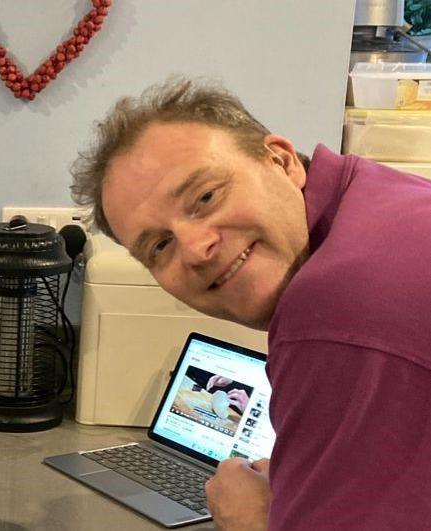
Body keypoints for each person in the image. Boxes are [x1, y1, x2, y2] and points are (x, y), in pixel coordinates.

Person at [70, 77, 431, 531]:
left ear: (280, 160)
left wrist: (255, 521)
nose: (195, 248)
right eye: (160, 246)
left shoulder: (334, 306)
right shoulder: (379, 199)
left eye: (205, 197)